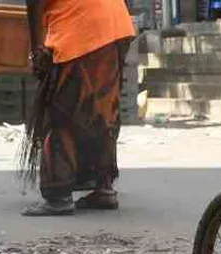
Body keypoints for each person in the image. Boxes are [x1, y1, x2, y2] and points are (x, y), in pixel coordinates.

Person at [20, 0, 136, 216]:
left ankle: (58, 195)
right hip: (116, 24)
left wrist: (36, 51)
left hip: (82, 26)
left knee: (60, 112)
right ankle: (104, 188)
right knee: (101, 111)